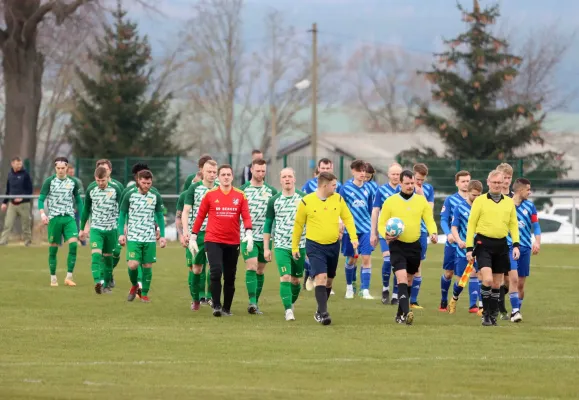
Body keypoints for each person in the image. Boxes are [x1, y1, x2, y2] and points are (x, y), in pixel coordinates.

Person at [292, 172, 357, 326]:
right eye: (334, 185)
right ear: (324, 185)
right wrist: (295, 246)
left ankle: (319, 311)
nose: (336, 187)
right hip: (314, 246)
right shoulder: (306, 202)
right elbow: (299, 225)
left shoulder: (338, 199)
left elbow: (347, 218)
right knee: (321, 277)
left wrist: (353, 238)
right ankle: (324, 313)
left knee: (328, 281)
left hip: (333, 245)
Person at [189, 164, 253, 317]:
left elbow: (245, 215)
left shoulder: (240, 195)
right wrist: (193, 236)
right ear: (218, 177)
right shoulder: (210, 195)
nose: (225, 177)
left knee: (230, 276)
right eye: (223, 174)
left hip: (232, 242)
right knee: (215, 272)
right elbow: (200, 216)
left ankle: (227, 308)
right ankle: (216, 306)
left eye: (228, 175)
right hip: (213, 240)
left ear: (232, 177)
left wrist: (249, 232)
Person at [378, 170, 437, 325]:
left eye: (413, 183)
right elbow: (381, 223)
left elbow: (429, 219)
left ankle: (400, 315)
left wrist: (433, 232)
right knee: (401, 278)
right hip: (397, 245)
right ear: (401, 184)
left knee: (409, 280)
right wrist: (385, 234)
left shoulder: (421, 201)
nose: (411, 186)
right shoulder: (390, 202)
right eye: (407, 184)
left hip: (414, 245)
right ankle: (406, 312)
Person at [465, 169, 520, 326]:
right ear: (488, 183)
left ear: (503, 183)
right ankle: (485, 314)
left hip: (501, 244)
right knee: (487, 280)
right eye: (494, 182)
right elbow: (471, 225)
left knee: (497, 284)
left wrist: (516, 244)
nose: (496, 185)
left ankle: (492, 314)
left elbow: (513, 225)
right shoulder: (480, 201)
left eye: (499, 182)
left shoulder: (509, 202)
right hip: (483, 244)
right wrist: (469, 248)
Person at [263, 168, 306, 321]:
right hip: (281, 245)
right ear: (280, 180)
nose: (287, 179)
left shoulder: (304, 198)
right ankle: (288, 310)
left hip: (300, 245)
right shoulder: (274, 200)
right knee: (285, 276)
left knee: (295, 280)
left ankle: (290, 302)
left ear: (294, 179)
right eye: (284, 177)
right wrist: (267, 248)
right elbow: (268, 225)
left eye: (290, 176)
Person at [118, 170, 166, 303]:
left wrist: (162, 235)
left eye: (149, 183)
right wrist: (121, 233)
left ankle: (144, 293)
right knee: (133, 265)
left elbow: (160, 216)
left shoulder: (155, 196)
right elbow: (122, 215)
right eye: (144, 183)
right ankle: (134, 284)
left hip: (149, 238)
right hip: (133, 237)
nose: (146, 185)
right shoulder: (129, 195)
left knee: (147, 266)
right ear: (138, 181)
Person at [240, 158, 278, 314]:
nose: (261, 174)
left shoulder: (271, 191)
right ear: (251, 170)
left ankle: (255, 302)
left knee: (260, 270)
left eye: (263, 171)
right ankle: (252, 302)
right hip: (247, 236)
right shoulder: (242, 191)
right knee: (251, 266)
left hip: (265, 238)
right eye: (258, 171)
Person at [38, 157, 83, 287]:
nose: (61, 170)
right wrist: (42, 214)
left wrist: (84, 218)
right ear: (55, 168)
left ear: (67, 168)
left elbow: (79, 201)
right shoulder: (49, 181)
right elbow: (41, 199)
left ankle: (69, 277)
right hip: (54, 219)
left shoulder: (73, 182)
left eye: (63, 168)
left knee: (74, 245)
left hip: (69, 217)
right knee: (53, 249)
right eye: (58, 168)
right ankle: (53, 277)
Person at [181, 160, 218, 310]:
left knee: (215, 268)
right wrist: (186, 231)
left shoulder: (220, 189)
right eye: (209, 171)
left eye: (214, 172)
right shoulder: (194, 188)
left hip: (215, 234)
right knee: (197, 268)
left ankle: (210, 297)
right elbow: (186, 211)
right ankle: (196, 298)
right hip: (197, 235)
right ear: (202, 172)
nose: (212, 175)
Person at [79, 166, 123, 294]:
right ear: (95, 179)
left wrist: (123, 228)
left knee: (108, 258)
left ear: (107, 178)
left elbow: (122, 210)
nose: (100, 183)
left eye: (102, 180)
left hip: (111, 230)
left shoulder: (115, 189)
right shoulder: (91, 189)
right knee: (96, 255)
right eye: (98, 181)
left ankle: (107, 284)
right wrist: (82, 229)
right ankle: (98, 282)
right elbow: (86, 209)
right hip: (96, 229)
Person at [340, 160, 375, 300]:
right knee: (351, 260)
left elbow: (372, 210)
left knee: (366, 257)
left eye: (364, 171)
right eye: (359, 171)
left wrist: (374, 230)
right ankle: (349, 287)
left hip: (365, 229)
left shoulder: (369, 189)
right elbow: (340, 208)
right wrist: (340, 223)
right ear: (353, 171)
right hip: (350, 231)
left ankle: (365, 290)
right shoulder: (345, 188)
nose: (362, 173)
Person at [508, 178, 541, 323]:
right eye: (528, 189)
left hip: (525, 247)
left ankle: (516, 310)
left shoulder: (530, 206)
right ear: (520, 190)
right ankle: (514, 311)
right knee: (512, 279)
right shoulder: (506, 204)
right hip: (509, 246)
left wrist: (537, 241)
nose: (530, 192)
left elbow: (536, 225)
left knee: (520, 283)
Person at [448, 180, 483, 314]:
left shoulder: (482, 207)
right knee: (461, 280)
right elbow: (454, 227)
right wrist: (459, 240)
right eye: (474, 195)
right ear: (468, 192)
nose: (476, 198)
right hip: (463, 248)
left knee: (479, 273)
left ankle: (477, 306)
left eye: (479, 195)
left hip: (479, 247)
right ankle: (454, 298)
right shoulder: (459, 207)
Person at [438, 170, 471, 311]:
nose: (466, 184)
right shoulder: (450, 200)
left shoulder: (476, 200)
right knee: (449, 273)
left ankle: (473, 305)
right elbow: (444, 220)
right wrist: (448, 234)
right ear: (457, 183)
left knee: (470, 273)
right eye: (463, 181)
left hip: (468, 244)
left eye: (468, 181)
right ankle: (444, 300)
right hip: (452, 243)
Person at [370, 162, 402, 305]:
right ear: (388, 175)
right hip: (385, 232)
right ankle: (385, 289)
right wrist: (373, 233)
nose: (396, 176)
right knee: (388, 260)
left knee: (398, 263)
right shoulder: (381, 190)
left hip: (401, 234)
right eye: (393, 174)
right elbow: (375, 211)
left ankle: (396, 293)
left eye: (398, 174)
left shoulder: (405, 190)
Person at [404, 163, 434, 309]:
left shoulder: (428, 189)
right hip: (404, 231)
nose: (419, 182)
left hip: (421, 231)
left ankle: (413, 300)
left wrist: (421, 193)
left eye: (422, 180)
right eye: (417, 179)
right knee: (401, 265)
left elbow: (429, 210)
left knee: (417, 265)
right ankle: (399, 295)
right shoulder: (404, 188)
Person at [95, 159, 124, 287]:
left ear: (110, 171)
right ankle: (103, 279)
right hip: (99, 226)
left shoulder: (118, 186)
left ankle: (109, 272)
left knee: (116, 252)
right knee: (101, 253)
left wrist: (124, 226)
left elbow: (124, 207)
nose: (103, 171)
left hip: (115, 225)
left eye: (106, 169)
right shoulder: (94, 187)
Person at [495, 163, 514, 318]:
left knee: (508, 280)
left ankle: (496, 299)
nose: (506, 181)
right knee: (499, 276)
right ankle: (501, 310)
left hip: (512, 243)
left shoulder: (514, 198)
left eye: (509, 177)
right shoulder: (494, 197)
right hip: (497, 242)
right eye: (504, 177)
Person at [0, 156, 33, 246]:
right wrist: (4, 202)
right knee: (8, 223)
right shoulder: (10, 175)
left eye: (20, 164)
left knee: (26, 224)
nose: (19, 166)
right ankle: (3, 241)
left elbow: (29, 190)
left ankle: (28, 242)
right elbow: (8, 190)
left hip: (24, 204)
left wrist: (22, 197)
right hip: (12, 204)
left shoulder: (25, 174)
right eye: (17, 164)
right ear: (12, 164)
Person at [66, 163, 85, 246]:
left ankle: (82, 242)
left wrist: (76, 207)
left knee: (77, 225)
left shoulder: (77, 181)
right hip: (65, 209)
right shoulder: (63, 181)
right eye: (69, 172)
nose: (71, 173)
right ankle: (58, 243)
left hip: (75, 209)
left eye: (72, 172)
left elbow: (81, 195)